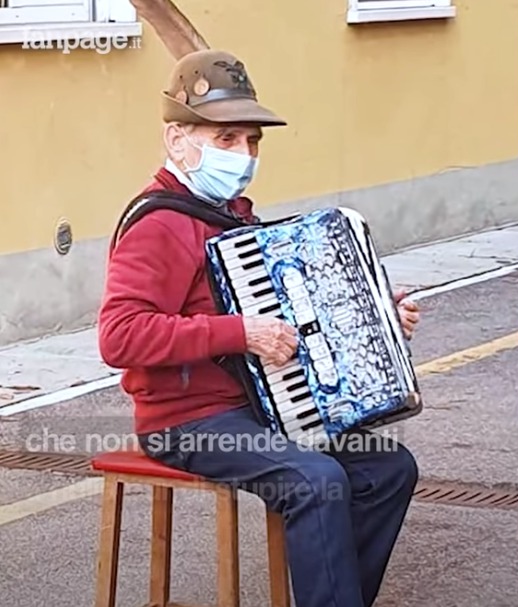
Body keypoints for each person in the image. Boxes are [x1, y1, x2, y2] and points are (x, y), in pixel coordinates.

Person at [98, 49, 421, 607]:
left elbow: (286, 309)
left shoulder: (233, 216)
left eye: (251, 142)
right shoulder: (159, 225)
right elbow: (119, 336)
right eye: (226, 141)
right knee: (315, 480)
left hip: (255, 407)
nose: (244, 156)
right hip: (185, 422)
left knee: (388, 468)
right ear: (178, 141)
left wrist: (373, 313)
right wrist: (238, 333)